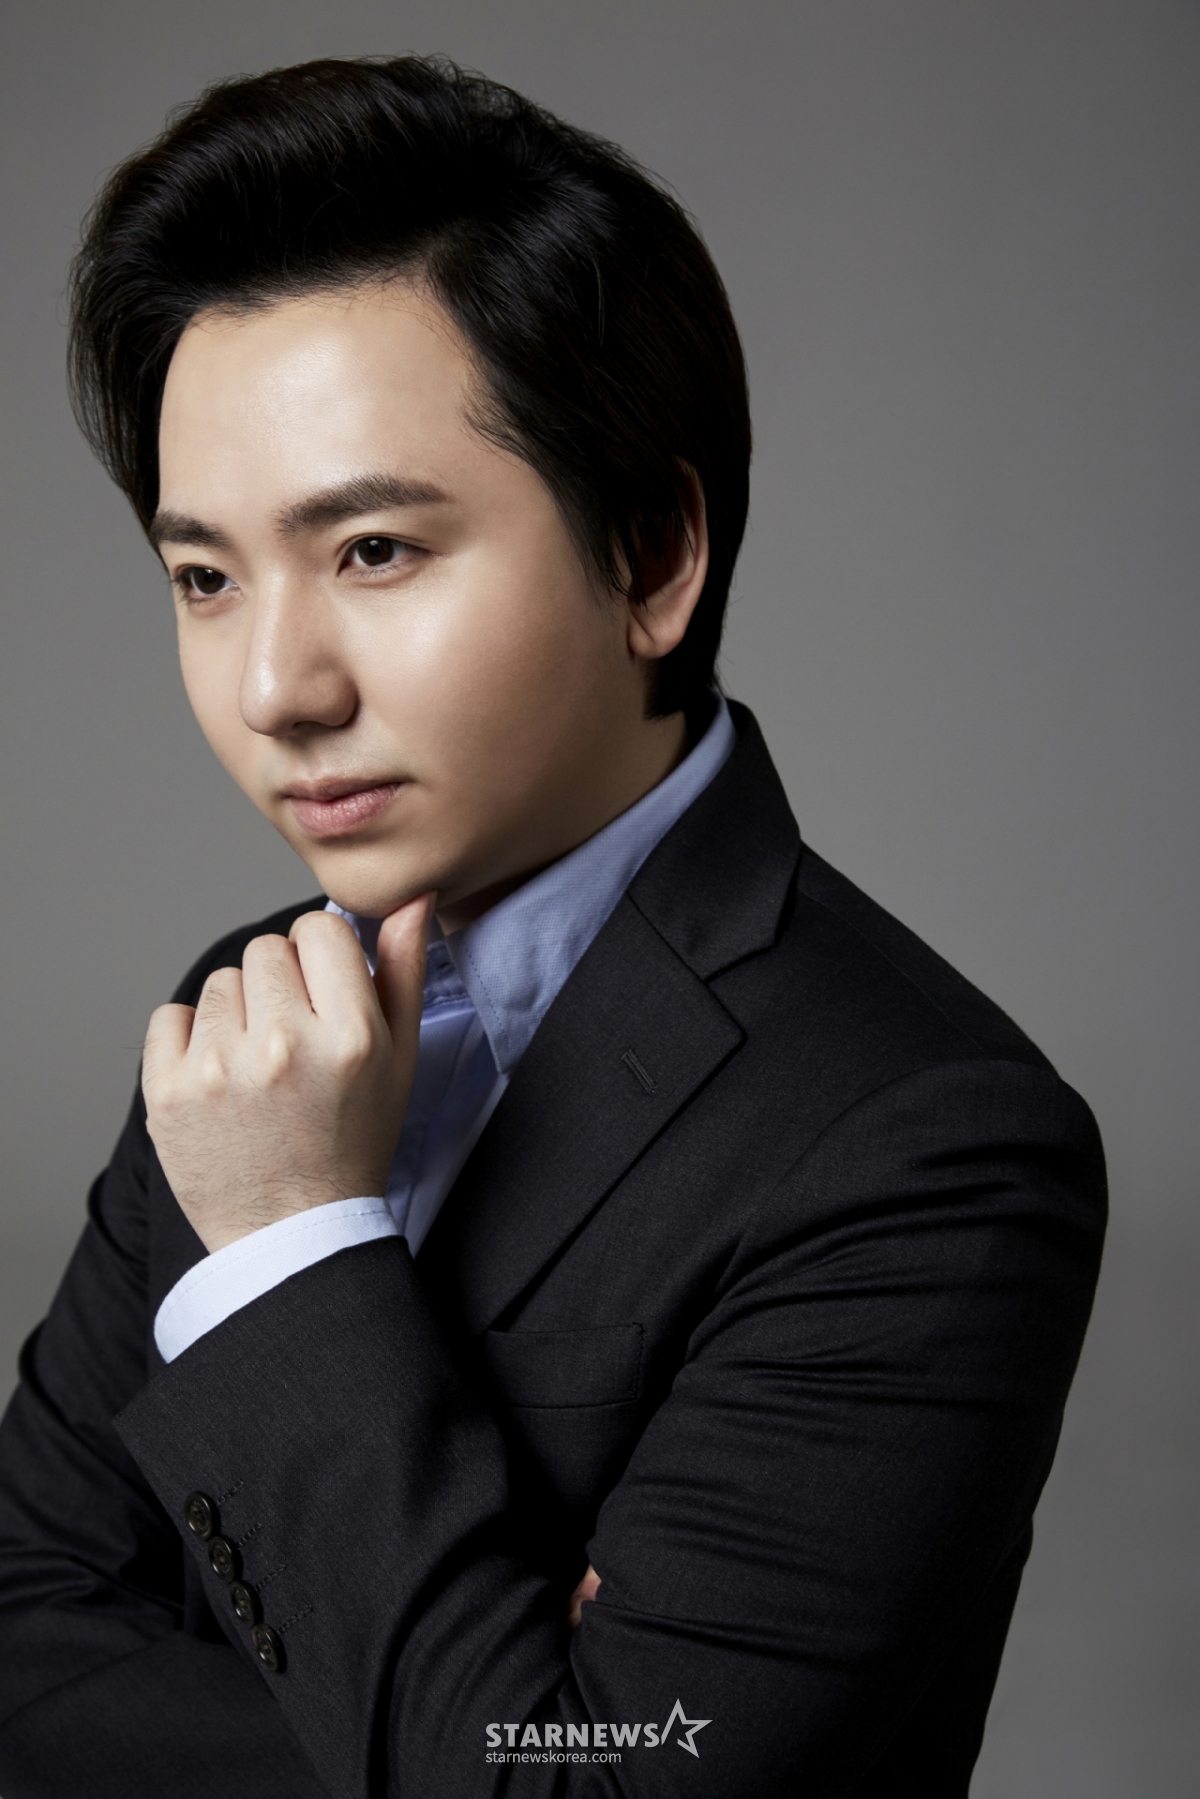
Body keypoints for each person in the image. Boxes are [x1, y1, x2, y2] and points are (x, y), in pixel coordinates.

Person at [0, 55, 1106, 1799]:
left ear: (653, 555)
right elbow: (17, 1639)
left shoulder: (926, 1144)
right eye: (204, 577)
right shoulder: (249, 1024)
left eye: (373, 551)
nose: (276, 687)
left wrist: (290, 1241)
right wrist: (479, 1714)